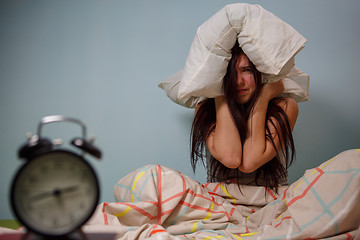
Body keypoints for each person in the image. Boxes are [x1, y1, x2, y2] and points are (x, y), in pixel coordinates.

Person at [191, 43, 299, 192]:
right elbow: (231, 158)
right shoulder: (205, 109)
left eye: (246, 70)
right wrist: (218, 92)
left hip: (271, 202)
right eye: (230, 74)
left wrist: (263, 97)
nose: (238, 81)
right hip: (221, 203)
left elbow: (249, 162)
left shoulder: (286, 106)